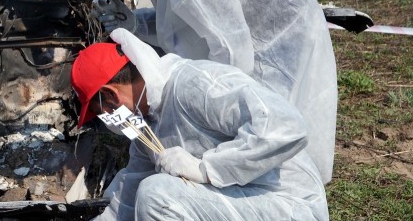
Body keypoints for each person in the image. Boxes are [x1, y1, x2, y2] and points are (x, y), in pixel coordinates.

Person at [72, 0, 337, 184]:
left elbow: (234, 52)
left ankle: (287, 186)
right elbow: (181, 25)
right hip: (253, 34)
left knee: (271, 125)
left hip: (279, 38)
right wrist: (135, 24)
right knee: (254, 130)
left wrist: (209, 136)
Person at [71, 28, 328, 220]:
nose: (107, 120)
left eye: (101, 111)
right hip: (242, 200)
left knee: (158, 196)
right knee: (149, 189)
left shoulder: (194, 85)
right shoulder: (145, 122)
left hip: (288, 203)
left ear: (112, 95)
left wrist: (206, 168)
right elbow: (130, 187)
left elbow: (286, 127)